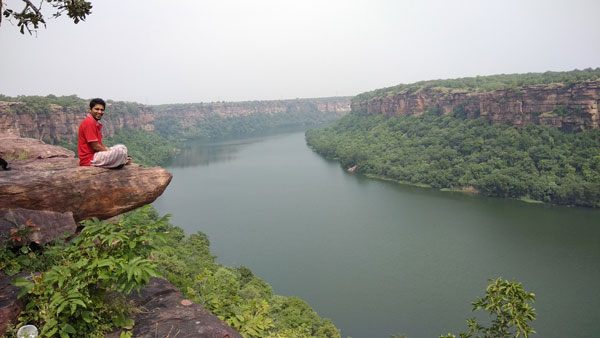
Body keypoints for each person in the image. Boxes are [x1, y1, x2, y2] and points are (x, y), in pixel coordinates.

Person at [78, 98, 131, 168]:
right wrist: (109, 151)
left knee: (122, 148)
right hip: (90, 158)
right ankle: (122, 161)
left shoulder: (93, 122)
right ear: (90, 110)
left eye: (102, 110)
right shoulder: (89, 123)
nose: (99, 112)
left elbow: (99, 145)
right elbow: (95, 146)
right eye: (96, 109)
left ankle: (121, 160)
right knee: (120, 152)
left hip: (96, 154)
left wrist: (109, 150)